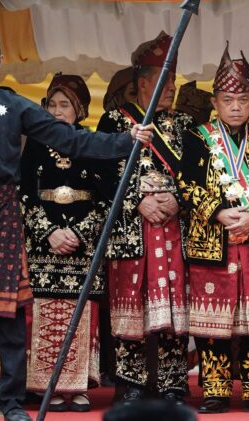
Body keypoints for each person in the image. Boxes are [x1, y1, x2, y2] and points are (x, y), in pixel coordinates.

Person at [0, 24, 149, 421]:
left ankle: (11, 403)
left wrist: (125, 140)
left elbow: (70, 139)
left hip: (3, 216)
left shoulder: (14, 105)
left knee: (9, 317)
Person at [179, 44, 249, 414]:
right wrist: (218, 212)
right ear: (215, 101)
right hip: (212, 240)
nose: (235, 107)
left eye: (242, 99)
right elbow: (186, 184)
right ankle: (215, 392)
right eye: (228, 100)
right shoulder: (197, 136)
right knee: (213, 323)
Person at [96, 32, 193, 405]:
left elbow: (199, 172)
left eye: (173, 81)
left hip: (172, 225)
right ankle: (131, 382)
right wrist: (137, 200)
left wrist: (178, 199)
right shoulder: (113, 121)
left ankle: (172, 383)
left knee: (173, 304)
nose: (171, 89)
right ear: (141, 85)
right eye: (163, 82)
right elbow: (101, 173)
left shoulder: (185, 123)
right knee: (130, 302)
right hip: (131, 226)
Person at [20, 73, 106, 412]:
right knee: (43, 313)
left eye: (65, 105)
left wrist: (80, 233)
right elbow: (24, 193)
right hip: (45, 246)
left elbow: (104, 198)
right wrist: (50, 232)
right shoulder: (34, 144)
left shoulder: (92, 142)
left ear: (80, 109)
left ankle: (79, 386)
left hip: (83, 247)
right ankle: (47, 387)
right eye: (51, 105)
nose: (57, 111)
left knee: (82, 315)